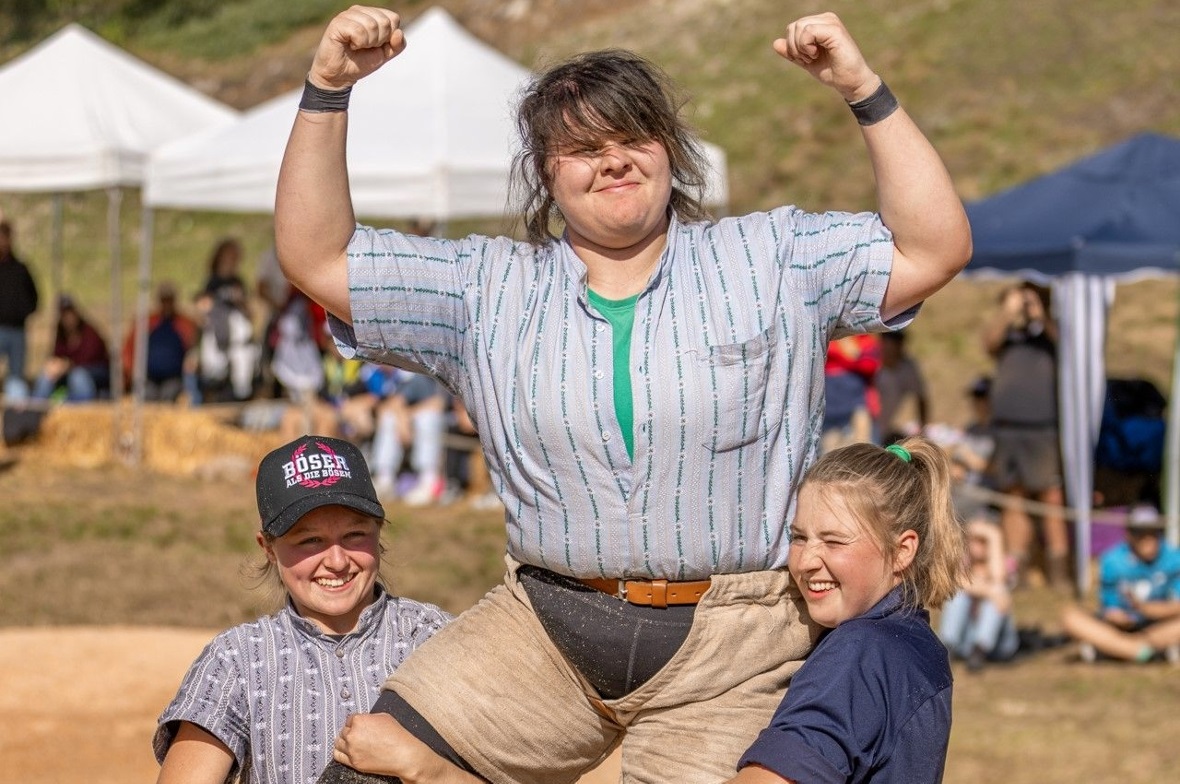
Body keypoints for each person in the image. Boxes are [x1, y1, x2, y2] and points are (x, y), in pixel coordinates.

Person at [276, 8, 971, 783]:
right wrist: (329, 88)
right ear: (547, 173)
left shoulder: (773, 259)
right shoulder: (484, 287)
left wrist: (861, 88)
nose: (611, 162)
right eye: (581, 149)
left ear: (669, 149)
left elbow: (933, 246)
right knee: (365, 770)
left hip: (736, 644)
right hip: (542, 628)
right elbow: (317, 256)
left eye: (631, 139)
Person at [153, 434, 452, 784]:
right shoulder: (237, 660)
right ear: (268, 547)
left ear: (379, 530)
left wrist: (424, 767)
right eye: (310, 540)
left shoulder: (436, 638)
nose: (337, 561)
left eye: (356, 534)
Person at [728, 437, 965, 783]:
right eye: (799, 538)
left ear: (902, 551)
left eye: (834, 541)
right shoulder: (919, 643)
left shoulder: (860, 652)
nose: (807, 561)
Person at [983, 281, 1069, 589]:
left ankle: (1058, 571)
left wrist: (1040, 313)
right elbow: (988, 343)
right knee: (1013, 497)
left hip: (1042, 428)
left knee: (1050, 497)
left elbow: (1066, 345)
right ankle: (1016, 566)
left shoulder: (1050, 335)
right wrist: (1007, 313)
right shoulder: (1007, 336)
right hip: (1007, 429)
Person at [1060, 504, 1180, 664]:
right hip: (1122, 627)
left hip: (1158, 624)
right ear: (1129, 535)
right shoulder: (1112, 560)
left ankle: (1115, 650)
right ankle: (1144, 652)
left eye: (1152, 533)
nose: (1147, 539)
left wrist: (1145, 609)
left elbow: (1176, 606)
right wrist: (1115, 616)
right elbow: (1109, 605)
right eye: (1140, 533)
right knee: (1069, 618)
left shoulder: (1174, 557)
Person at [938, 518, 1019, 672]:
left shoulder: (1005, 564)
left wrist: (994, 536)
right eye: (975, 540)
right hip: (966, 639)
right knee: (959, 595)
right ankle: (947, 648)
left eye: (985, 541)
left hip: (1000, 644)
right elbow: (957, 582)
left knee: (999, 590)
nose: (979, 546)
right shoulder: (962, 565)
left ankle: (980, 651)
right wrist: (990, 592)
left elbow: (998, 580)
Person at [196, 237, 259, 402]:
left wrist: (240, 301)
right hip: (218, 336)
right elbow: (202, 308)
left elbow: (250, 312)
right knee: (216, 377)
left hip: (238, 338)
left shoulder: (238, 282)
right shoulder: (212, 282)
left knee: (241, 380)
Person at [122, 281, 199, 402]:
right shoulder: (147, 322)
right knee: (147, 396)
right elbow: (129, 349)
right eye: (164, 300)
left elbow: (193, 348)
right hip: (150, 377)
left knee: (168, 395)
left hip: (173, 377)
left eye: (170, 300)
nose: (167, 304)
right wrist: (132, 372)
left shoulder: (184, 323)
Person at [31, 294, 110, 402]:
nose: (68, 318)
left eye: (70, 313)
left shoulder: (89, 332)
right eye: (64, 315)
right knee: (46, 375)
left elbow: (89, 358)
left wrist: (67, 365)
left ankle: (82, 407)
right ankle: (36, 406)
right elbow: (57, 354)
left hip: (94, 371)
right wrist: (54, 365)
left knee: (78, 375)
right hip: (68, 372)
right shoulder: (61, 334)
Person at [820, 334, 880, 452]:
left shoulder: (866, 340)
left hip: (857, 409)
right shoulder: (825, 338)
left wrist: (848, 350)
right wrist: (848, 354)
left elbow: (870, 365)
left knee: (863, 452)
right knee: (829, 455)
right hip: (829, 412)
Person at [0, 219, 39, 399]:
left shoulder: (20, 268)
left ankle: (16, 416)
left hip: (17, 330)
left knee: (16, 378)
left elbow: (34, 297)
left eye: (4, 237)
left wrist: (22, 312)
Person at [874, 329, 928, 445]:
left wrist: (923, 429)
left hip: (883, 427)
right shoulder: (871, 364)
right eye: (887, 342)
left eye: (895, 342)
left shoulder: (907, 368)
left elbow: (921, 396)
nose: (890, 348)